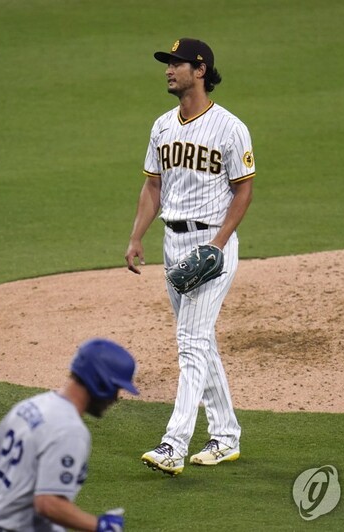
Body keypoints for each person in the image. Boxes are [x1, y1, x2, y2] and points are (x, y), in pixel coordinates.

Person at [125, 38, 255, 476]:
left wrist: (217, 245)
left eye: (176, 63)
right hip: (172, 246)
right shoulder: (162, 126)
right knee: (201, 342)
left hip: (211, 246)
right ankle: (226, 436)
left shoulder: (230, 127)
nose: (168, 70)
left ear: (200, 70)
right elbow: (152, 187)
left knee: (190, 343)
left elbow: (244, 189)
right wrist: (136, 237)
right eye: (167, 63)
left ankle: (173, 444)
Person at [0, 338, 138, 531]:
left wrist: (14, 502)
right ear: (99, 382)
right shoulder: (69, 430)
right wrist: (101, 526)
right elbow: (47, 503)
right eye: (115, 388)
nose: (115, 398)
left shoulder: (31, 405)